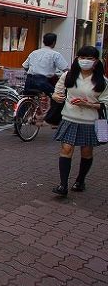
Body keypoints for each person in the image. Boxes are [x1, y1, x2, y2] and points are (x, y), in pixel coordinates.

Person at [51, 45, 108, 196]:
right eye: (82, 58)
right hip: (69, 118)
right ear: (77, 59)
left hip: (90, 121)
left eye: (90, 58)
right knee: (66, 149)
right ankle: (63, 185)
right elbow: (57, 92)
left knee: (86, 152)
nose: (85, 61)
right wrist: (56, 96)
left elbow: (105, 104)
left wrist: (88, 104)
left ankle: (80, 180)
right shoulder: (68, 76)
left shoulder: (102, 81)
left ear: (96, 61)